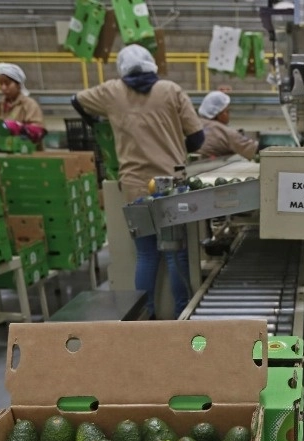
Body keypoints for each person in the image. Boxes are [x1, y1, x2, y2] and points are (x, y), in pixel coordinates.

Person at [71, 45, 204, 320]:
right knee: (175, 256)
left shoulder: (111, 91)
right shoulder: (171, 90)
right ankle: (182, 317)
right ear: (151, 64)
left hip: (134, 186)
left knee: (146, 256)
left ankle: (146, 316)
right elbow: (197, 139)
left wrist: (100, 122)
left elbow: (76, 100)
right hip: (171, 184)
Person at [0, 63, 47, 146]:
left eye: (7, 84)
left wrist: (20, 128)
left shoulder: (29, 105)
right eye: (1, 84)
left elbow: (39, 131)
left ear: (18, 84)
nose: (3, 88)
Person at [195, 91, 258, 160]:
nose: (229, 114)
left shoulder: (196, 124)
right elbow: (252, 148)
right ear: (218, 114)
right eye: (227, 111)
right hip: (214, 168)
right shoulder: (223, 131)